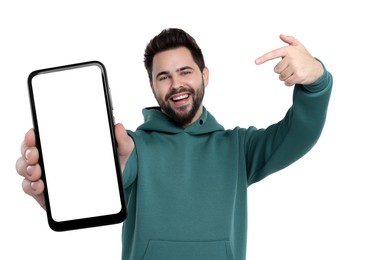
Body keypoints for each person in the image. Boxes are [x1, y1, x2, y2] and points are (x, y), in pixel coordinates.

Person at [16, 28, 332, 260]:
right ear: (152, 86)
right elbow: (117, 170)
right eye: (164, 76)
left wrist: (316, 81)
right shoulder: (133, 148)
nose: (176, 83)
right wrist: (68, 187)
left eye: (185, 72)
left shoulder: (239, 148)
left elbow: (299, 135)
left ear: (204, 76)